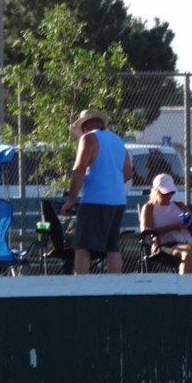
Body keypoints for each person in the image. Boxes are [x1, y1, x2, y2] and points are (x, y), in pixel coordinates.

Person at [58, 109, 133, 275]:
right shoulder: (118, 140)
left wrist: (71, 200)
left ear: (85, 125)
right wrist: (111, 184)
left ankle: (81, 288)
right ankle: (115, 287)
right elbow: (128, 173)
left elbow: (78, 170)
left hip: (95, 201)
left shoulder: (88, 138)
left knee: (82, 247)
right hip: (118, 201)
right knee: (112, 247)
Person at [138, 173, 192, 274]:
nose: (169, 196)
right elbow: (146, 231)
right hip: (165, 245)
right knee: (189, 250)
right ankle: (185, 287)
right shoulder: (150, 208)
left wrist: (189, 220)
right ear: (156, 191)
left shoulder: (179, 206)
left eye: (171, 192)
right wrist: (172, 227)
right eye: (165, 193)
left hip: (187, 241)